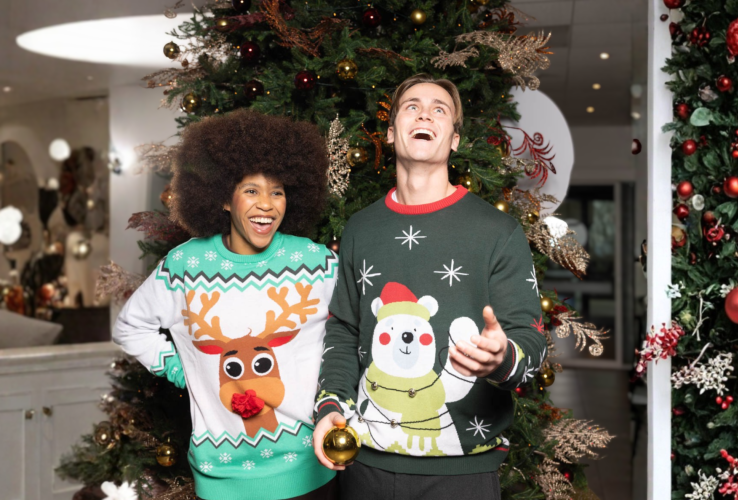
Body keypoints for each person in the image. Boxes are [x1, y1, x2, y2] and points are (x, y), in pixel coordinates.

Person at [312, 74, 547, 500]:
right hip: (365, 467)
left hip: (462, 474)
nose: (424, 114)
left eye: (439, 110)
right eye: (412, 107)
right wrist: (330, 405)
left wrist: (502, 357)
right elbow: (344, 329)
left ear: (454, 140)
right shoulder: (361, 228)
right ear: (390, 133)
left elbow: (531, 340)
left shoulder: (498, 231)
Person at [113, 109, 339, 500]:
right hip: (221, 478)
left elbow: (353, 330)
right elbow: (130, 326)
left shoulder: (317, 262)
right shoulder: (185, 266)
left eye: (277, 192)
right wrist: (182, 370)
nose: (267, 204)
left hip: (309, 471)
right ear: (223, 199)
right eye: (251, 191)